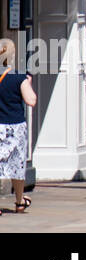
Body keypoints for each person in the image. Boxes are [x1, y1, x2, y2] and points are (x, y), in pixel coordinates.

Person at [0, 39, 37, 214]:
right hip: (15, 127)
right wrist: (27, 84)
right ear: (12, 56)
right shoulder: (18, 77)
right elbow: (31, 100)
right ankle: (20, 201)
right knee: (17, 164)